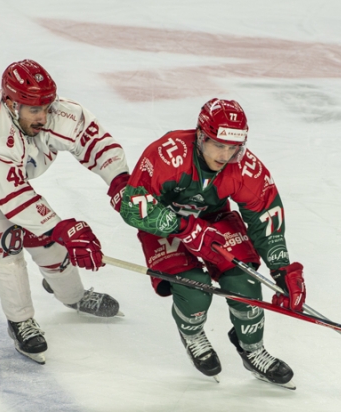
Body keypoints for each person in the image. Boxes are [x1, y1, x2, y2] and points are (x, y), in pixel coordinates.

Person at [0, 59, 130, 364]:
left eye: (46, 106)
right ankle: (20, 321)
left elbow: (97, 144)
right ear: (10, 103)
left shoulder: (58, 112)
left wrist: (120, 182)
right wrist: (63, 229)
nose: (43, 116)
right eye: (33, 109)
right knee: (5, 232)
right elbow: (14, 200)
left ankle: (72, 296)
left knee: (43, 234)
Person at [118, 98, 307, 389]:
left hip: (214, 218)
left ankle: (252, 349)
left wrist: (282, 268)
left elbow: (264, 213)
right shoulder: (168, 154)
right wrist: (183, 226)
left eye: (234, 147)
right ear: (201, 136)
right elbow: (133, 206)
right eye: (219, 145)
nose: (226, 155)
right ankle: (192, 334)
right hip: (164, 222)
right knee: (195, 291)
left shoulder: (244, 167)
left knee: (245, 283)